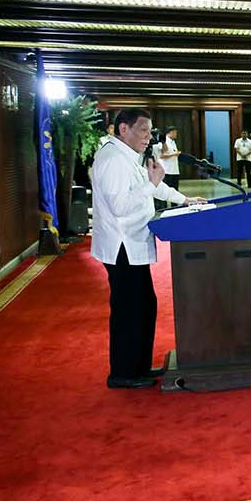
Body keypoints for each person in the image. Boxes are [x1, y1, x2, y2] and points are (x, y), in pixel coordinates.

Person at [92, 108, 205, 389]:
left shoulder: (130, 158)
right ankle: (123, 373)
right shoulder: (112, 159)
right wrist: (151, 184)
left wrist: (184, 200)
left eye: (149, 130)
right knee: (130, 310)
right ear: (123, 129)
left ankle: (138, 366)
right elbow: (120, 206)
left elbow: (154, 186)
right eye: (143, 130)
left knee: (144, 306)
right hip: (122, 247)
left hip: (131, 244)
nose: (148, 136)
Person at [158, 126, 182, 192]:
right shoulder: (163, 142)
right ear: (169, 133)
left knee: (175, 191)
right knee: (165, 192)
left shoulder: (173, 142)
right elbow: (161, 155)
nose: (176, 134)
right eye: (174, 132)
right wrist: (174, 154)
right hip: (166, 171)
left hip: (174, 171)